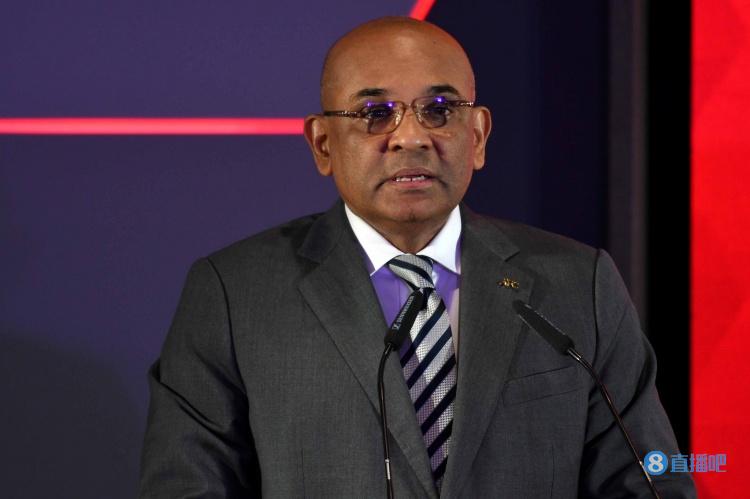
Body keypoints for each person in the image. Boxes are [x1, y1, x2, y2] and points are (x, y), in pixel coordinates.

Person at [138, 16, 696, 498]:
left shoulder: (579, 284)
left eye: (439, 109)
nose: (410, 137)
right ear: (323, 144)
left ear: (478, 136)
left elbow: (653, 478)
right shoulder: (235, 295)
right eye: (375, 113)